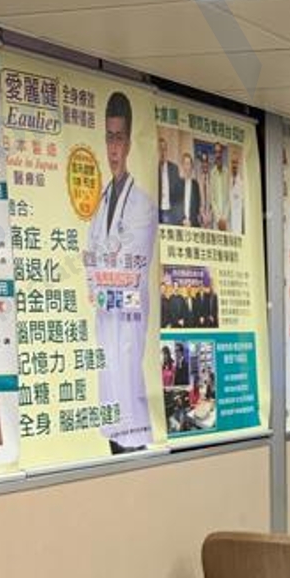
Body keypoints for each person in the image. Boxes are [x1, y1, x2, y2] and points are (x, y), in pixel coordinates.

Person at [85, 90, 157, 453]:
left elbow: (130, 271)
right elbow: (90, 258)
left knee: (129, 394)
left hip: (127, 320)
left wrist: (103, 272)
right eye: (109, 137)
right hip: (106, 317)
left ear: (129, 143)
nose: (113, 147)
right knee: (112, 407)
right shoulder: (101, 202)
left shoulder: (142, 204)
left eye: (119, 138)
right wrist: (102, 271)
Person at [158, 135, 182, 226]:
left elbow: (178, 193)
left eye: (164, 149)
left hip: (170, 211)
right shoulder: (153, 168)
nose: (162, 152)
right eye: (160, 149)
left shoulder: (174, 168)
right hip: (156, 211)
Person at [177, 152, 203, 228]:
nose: (187, 166)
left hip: (193, 224)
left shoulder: (195, 185)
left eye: (188, 164)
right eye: (185, 163)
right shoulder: (178, 184)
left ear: (191, 166)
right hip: (180, 223)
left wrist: (191, 221)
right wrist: (183, 220)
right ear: (182, 166)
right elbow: (175, 206)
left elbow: (197, 206)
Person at [228, 155, 245, 237]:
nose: (234, 165)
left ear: (238, 165)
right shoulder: (230, 179)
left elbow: (241, 199)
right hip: (230, 216)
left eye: (235, 163)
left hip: (238, 215)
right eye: (232, 163)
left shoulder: (242, 181)